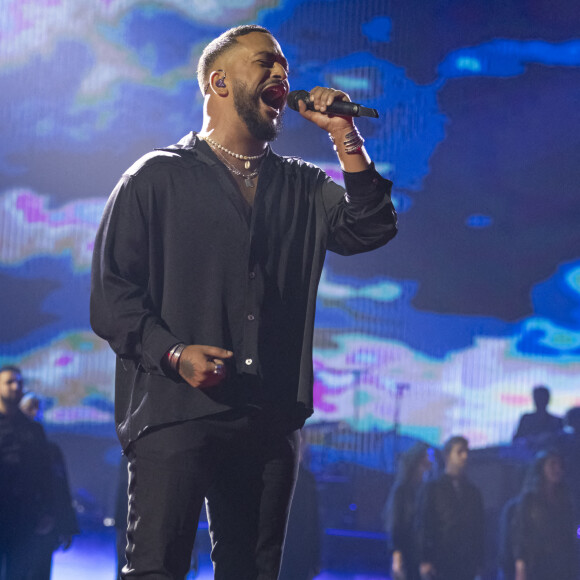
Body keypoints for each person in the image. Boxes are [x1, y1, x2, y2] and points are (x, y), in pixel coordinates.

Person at [90, 24, 398, 580]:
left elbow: (370, 228)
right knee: (156, 570)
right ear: (219, 82)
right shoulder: (155, 178)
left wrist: (343, 134)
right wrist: (176, 354)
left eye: (285, 66)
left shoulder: (303, 186)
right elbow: (113, 298)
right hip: (175, 409)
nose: (282, 74)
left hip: (268, 413)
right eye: (265, 63)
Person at [0, 366, 53, 580]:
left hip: (24, 516)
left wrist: (48, 510)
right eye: (9, 382)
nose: (16, 387)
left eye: (19, 382)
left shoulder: (34, 430)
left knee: (20, 573)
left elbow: (45, 473)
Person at [19, 393, 79, 580]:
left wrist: (66, 525)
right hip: (15, 526)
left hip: (44, 527)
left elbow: (61, 488)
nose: (35, 413)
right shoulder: (8, 445)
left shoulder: (51, 450)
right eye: (31, 407)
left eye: (39, 408)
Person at [416, 436, 484, 580]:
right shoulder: (433, 489)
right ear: (447, 455)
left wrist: (479, 562)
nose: (464, 457)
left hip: (466, 563)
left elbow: (479, 528)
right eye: (459, 452)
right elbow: (424, 524)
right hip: (440, 561)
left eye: (466, 452)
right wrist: (425, 559)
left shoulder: (473, 492)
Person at [512, 449, 579, 580]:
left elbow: (569, 534)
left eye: (560, 465)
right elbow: (520, 533)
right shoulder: (529, 500)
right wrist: (520, 566)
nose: (557, 469)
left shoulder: (566, 500)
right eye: (552, 464)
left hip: (562, 565)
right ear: (542, 467)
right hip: (537, 564)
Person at [384, 442, 432, 580]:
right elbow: (396, 524)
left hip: (421, 554)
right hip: (407, 552)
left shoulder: (426, 490)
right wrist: (397, 556)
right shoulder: (402, 491)